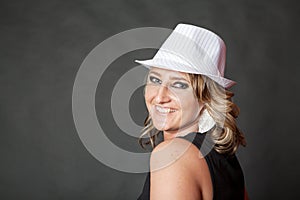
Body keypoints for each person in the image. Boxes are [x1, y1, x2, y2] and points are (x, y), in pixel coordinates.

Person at [135, 23, 248, 200]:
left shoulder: (173, 156)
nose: (159, 97)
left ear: (206, 98)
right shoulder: (224, 158)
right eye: (155, 80)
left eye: (179, 85)